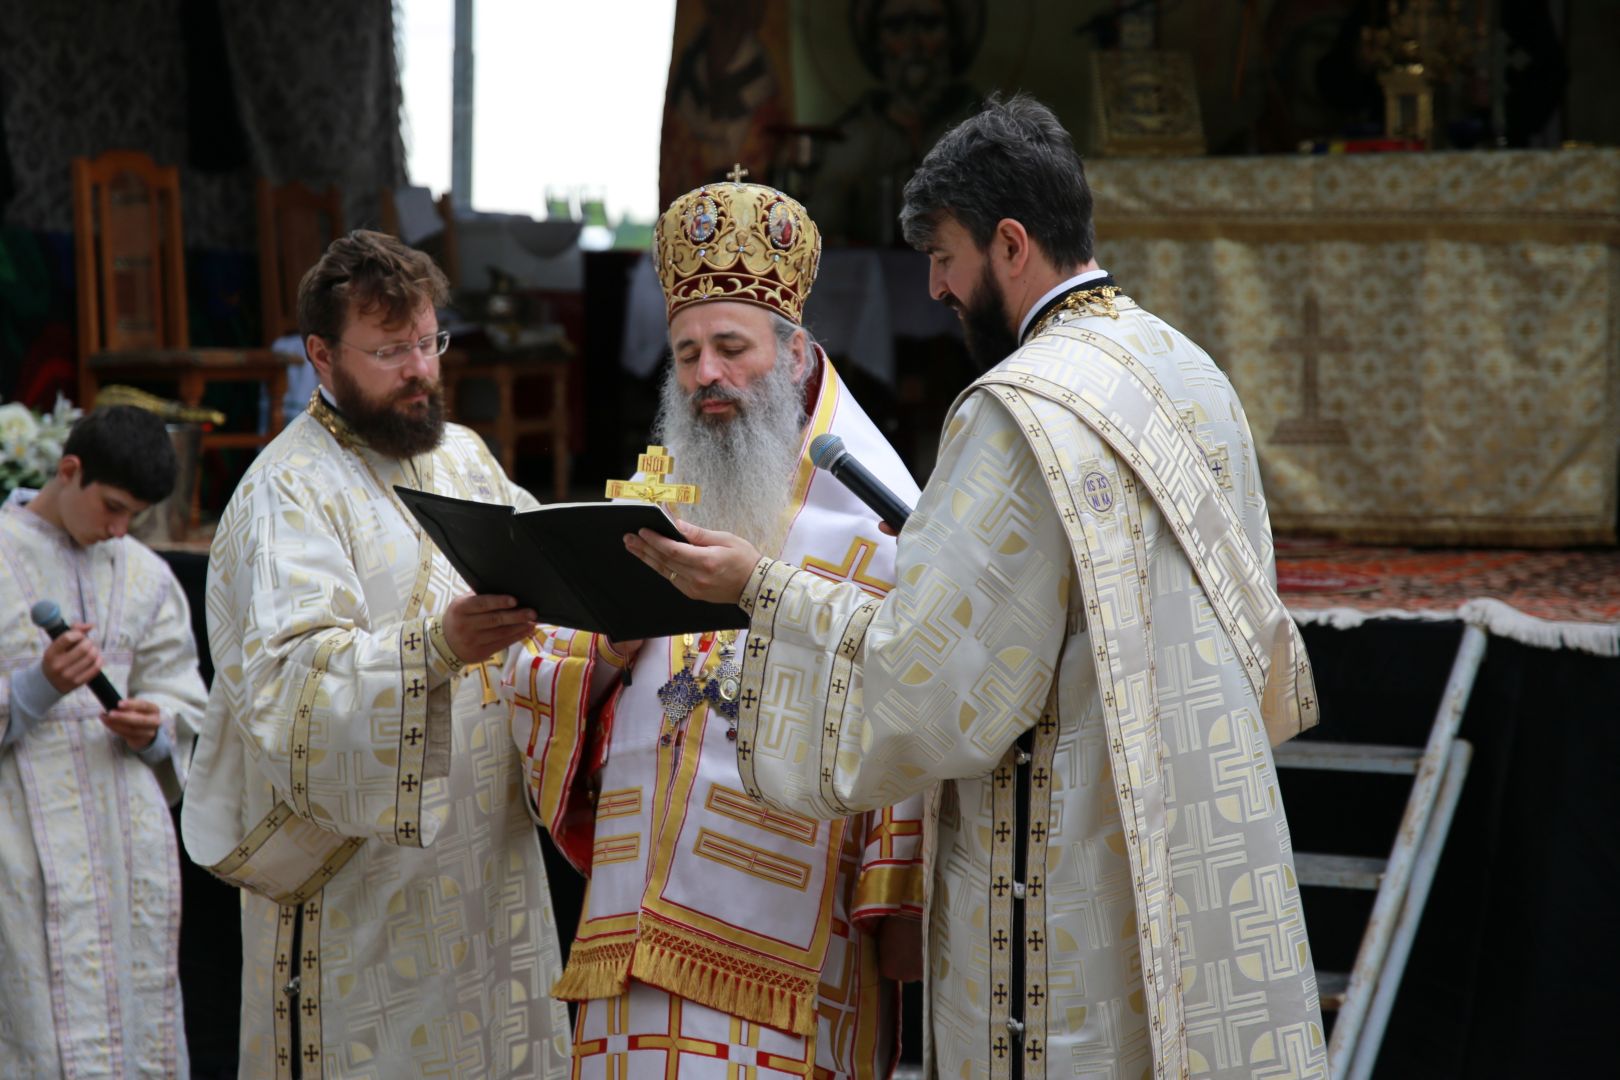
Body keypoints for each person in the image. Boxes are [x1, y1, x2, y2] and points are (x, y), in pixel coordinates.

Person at [628, 95, 1329, 1079]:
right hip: (1195, 850)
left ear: (1010, 245)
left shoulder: (1015, 409)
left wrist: (763, 590)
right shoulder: (1190, 373)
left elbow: (935, 684)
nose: (934, 288)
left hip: (1066, 871)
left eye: (946, 257)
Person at [504, 177, 926, 1079]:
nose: (707, 376)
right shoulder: (658, 490)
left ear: (798, 351)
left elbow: (917, 707)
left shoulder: (876, 523)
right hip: (630, 935)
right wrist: (607, 644)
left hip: (789, 966)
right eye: (688, 353)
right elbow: (543, 677)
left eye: (733, 348)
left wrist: (899, 905)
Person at [181, 230, 570, 1078]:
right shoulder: (287, 491)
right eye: (391, 350)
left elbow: (545, 587)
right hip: (360, 888)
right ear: (321, 356)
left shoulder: (463, 456)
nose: (421, 370)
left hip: (487, 871)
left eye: (430, 342)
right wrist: (436, 646)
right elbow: (285, 688)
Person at [0, 405, 207, 1076]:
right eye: (112, 507)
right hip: (19, 848)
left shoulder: (145, 574)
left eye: (134, 518)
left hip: (126, 848)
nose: (119, 530)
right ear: (69, 470)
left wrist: (157, 729)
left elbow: (183, 695)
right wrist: (34, 690)